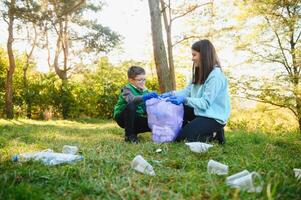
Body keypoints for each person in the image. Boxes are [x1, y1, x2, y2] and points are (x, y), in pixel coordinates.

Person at [161, 39, 230, 144]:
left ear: (204, 55)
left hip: (214, 117)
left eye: (194, 55)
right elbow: (187, 91)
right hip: (201, 112)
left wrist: (185, 100)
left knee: (183, 140)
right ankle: (195, 130)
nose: (192, 58)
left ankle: (214, 133)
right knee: (177, 110)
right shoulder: (199, 72)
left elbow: (205, 103)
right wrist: (171, 94)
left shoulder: (216, 76)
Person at [113, 66, 158, 143]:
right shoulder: (126, 89)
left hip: (136, 117)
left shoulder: (145, 91)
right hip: (122, 117)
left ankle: (134, 131)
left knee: (153, 123)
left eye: (144, 79)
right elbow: (132, 99)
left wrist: (159, 98)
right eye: (140, 80)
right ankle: (129, 135)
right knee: (131, 105)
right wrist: (144, 97)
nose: (143, 82)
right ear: (131, 80)